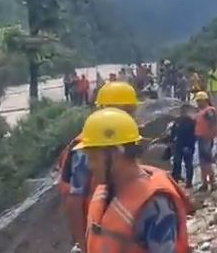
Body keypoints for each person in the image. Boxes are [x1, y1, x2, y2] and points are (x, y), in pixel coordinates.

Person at [75, 108, 192, 253]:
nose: (89, 165)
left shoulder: (154, 204)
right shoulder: (105, 192)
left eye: (93, 158)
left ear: (116, 152)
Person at [57, 81, 140, 251]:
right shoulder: (90, 148)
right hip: (96, 226)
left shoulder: (121, 139)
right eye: (129, 111)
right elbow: (74, 202)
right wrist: (84, 245)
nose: (132, 117)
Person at [194, 91, 217, 192]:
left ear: (204, 101)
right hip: (202, 138)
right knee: (202, 162)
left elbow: (213, 123)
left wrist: (212, 135)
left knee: (206, 161)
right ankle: (204, 183)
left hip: (206, 138)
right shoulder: (203, 111)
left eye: (199, 101)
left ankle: (212, 183)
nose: (198, 103)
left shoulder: (209, 111)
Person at [170, 104, 196, 188]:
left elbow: (194, 135)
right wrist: (172, 142)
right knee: (176, 163)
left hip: (187, 145)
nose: (182, 112)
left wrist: (189, 146)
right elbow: (173, 132)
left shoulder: (191, 122)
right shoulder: (177, 121)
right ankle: (175, 181)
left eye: (184, 111)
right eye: (181, 111)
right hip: (178, 145)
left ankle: (189, 183)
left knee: (188, 164)